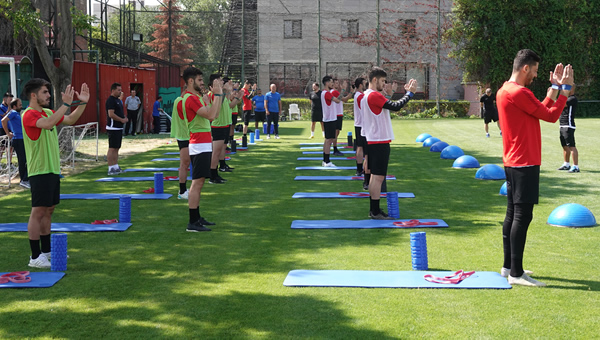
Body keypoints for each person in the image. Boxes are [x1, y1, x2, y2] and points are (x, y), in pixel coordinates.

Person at [496, 49, 573, 287]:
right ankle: (516, 274)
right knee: (522, 215)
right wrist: (565, 90)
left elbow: (535, 111)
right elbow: (550, 117)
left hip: (513, 160)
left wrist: (553, 93)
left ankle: (509, 266)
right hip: (524, 160)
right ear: (525, 68)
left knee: (512, 214)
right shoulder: (519, 91)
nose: (536, 76)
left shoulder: (505, 90)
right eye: (535, 70)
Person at [21, 78, 89, 268]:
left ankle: (46, 251)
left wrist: (82, 102)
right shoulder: (28, 115)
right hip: (39, 171)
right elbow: (49, 123)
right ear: (34, 95)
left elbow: (70, 119)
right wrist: (65, 104)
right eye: (45, 92)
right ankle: (35, 257)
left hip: (52, 169)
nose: (49, 95)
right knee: (38, 212)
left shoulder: (49, 111)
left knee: (49, 210)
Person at [362, 67, 417, 219]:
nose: (384, 84)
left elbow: (389, 104)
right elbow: (396, 107)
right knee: (378, 177)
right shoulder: (373, 95)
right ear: (374, 80)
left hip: (374, 140)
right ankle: (374, 211)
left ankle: (374, 210)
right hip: (379, 141)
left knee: (375, 177)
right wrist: (410, 93)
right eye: (383, 81)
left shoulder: (367, 95)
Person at [180, 67, 223, 232]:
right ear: (190, 81)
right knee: (197, 183)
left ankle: (197, 218)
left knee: (199, 182)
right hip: (198, 144)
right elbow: (212, 116)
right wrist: (217, 94)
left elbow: (215, 114)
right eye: (199, 80)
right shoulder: (191, 99)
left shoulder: (196, 97)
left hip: (202, 143)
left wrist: (218, 95)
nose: (202, 83)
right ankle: (192, 222)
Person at [208, 75, 241, 184]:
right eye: (221, 80)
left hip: (223, 125)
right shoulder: (215, 95)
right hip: (217, 126)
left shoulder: (222, 95)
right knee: (215, 153)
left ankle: (216, 173)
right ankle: (212, 175)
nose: (223, 82)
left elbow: (229, 104)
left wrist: (235, 95)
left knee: (219, 151)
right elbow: (215, 111)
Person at [1, 97, 29, 188]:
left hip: (22, 139)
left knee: (25, 159)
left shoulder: (16, 113)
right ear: (14, 106)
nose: (21, 106)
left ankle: (26, 178)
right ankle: (23, 180)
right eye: (20, 105)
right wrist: (8, 133)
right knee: (22, 160)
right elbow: (3, 120)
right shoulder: (13, 112)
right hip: (18, 139)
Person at [171, 85, 191, 199]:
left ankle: (184, 190)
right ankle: (182, 191)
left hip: (187, 135)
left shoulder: (183, 100)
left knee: (186, 164)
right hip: (184, 136)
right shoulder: (180, 101)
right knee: (184, 164)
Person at [106, 83, 128, 175]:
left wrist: (124, 118)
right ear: (113, 90)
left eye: (120, 90)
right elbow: (111, 114)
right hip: (113, 127)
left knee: (117, 148)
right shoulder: (110, 100)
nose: (120, 91)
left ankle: (115, 166)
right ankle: (110, 168)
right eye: (118, 90)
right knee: (112, 148)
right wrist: (121, 119)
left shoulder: (118, 100)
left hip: (118, 128)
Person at [320, 76, 342, 167]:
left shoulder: (324, 93)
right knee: (329, 140)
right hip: (330, 119)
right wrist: (343, 90)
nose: (332, 84)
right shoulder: (327, 93)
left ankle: (325, 160)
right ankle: (327, 161)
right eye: (331, 82)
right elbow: (337, 101)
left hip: (328, 118)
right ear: (327, 83)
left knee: (327, 140)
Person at [557, 87, 579, 173]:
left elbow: (561, 104)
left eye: (567, 87)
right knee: (564, 146)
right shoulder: (566, 98)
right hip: (562, 125)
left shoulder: (572, 99)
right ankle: (566, 164)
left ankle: (575, 167)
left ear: (572, 89)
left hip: (568, 125)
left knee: (571, 146)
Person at [331, 79, 354, 155]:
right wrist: (346, 90)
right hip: (336, 114)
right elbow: (344, 99)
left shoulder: (336, 92)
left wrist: (351, 91)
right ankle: (335, 149)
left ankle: (334, 147)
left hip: (338, 114)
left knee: (336, 133)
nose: (338, 84)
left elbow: (345, 99)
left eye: (338, 83)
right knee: (335, 133)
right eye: (336, 83)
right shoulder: (334, 91)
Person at [352, 77, 368, 180]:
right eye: (365, 83)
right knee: (364, 149)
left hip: (359, 124)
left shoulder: (358, 95)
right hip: (362, 125)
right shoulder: (360, 96)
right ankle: (363, 170)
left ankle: (360, 169)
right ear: (361, 85)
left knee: (360, 147)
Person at [0, 92, 14, 160]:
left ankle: (9, 162)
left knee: (11, 146)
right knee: (2, 147)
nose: (10, 101)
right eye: (9, 100)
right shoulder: (1, 107)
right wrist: (9, 106)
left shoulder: (11, 108)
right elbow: (5, 115)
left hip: (10, 128)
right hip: (2, 128)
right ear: (4, 99)